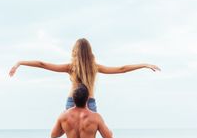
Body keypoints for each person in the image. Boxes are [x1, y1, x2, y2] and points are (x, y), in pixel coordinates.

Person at [9, 38, 161, 112]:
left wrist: (20, 62)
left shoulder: (70, 68)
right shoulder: (94, 68)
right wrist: (144, 64)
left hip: (71, 102)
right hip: (90, 103)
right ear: (90, 52)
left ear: (74, 52)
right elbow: (122, 69)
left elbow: (43, 64)